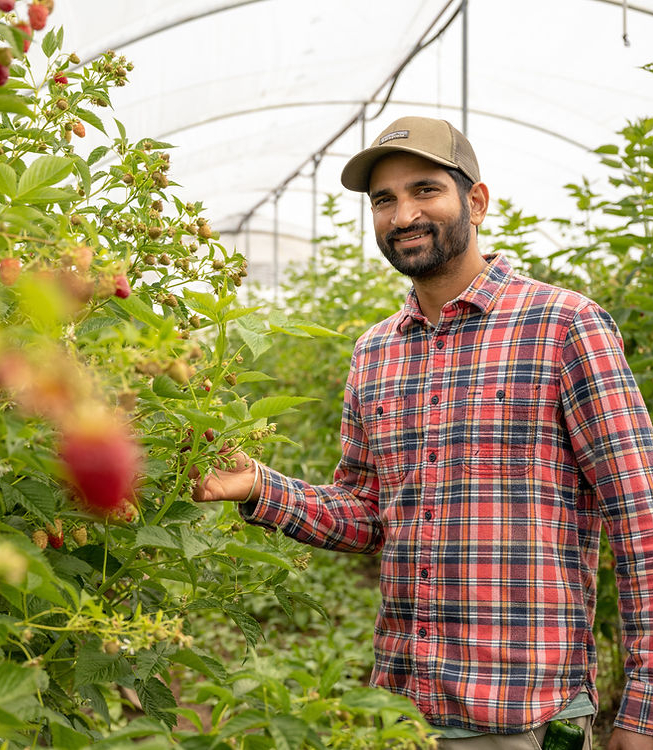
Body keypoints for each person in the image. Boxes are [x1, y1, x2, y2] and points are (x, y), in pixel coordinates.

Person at [193, 116, 653, 750]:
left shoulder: (563, 326)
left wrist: (645, 704)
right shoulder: (375, 351)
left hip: (522, 715)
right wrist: (256, 487)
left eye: (425, 190)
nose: (403, 213)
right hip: (403, 714)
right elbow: (366, 515)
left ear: (476, 200)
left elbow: (640, 514)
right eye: (384, 200)